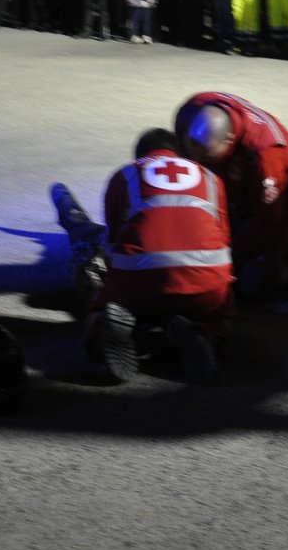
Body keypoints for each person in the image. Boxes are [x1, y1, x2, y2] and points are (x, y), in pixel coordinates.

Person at [87, 128, 235, 384]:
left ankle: (106, 327)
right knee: (224, 312)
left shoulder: (125, 174)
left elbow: (110, 247)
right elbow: (226, 241)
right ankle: (204, 332)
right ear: (181, 153)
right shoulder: (212, 178)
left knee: (100, 304)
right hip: (206, 285)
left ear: (139, 155)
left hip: (139, 280)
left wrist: (112, 287)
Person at [174, 92, 288, 297]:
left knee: (253, 282)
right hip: (239, 185)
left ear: (230, 139)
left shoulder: (266, 156)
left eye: (208, 158)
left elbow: (266, 220)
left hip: (287, 194)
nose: (201, 164)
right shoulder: (190, 112)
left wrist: (227, 254)